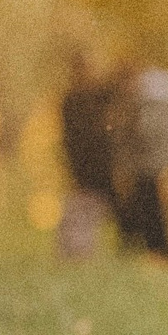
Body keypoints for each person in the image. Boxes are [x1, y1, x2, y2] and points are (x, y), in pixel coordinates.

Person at [112, 64, 168, 259]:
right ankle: (150, 251)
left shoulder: (147, 101)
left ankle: (157, 252)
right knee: (147, 207)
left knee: (151, 208)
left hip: (150, 165)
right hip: (148, 164)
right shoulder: (155, 97)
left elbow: (144, 133)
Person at [56, 54, 119, 259]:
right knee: (85, 209)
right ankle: (78, 251)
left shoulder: (83, 97)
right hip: (88, 164)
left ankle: (78, 251)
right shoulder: (78, 99)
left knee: (85, 209)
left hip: (92, 165)